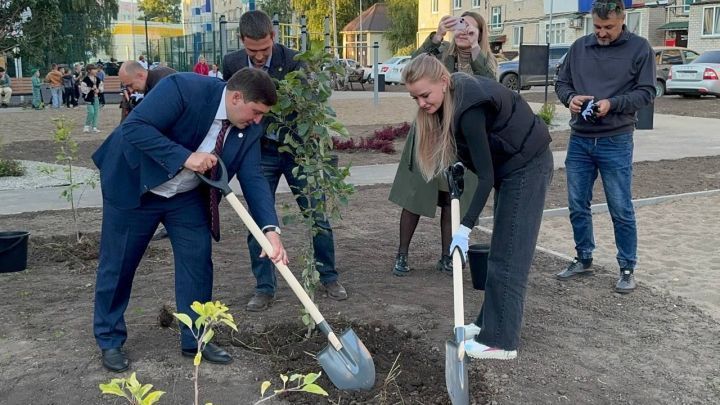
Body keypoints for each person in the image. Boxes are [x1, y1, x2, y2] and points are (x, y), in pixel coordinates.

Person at [91, 68, 289, 372]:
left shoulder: (248, 128)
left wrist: (270, 230)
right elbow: (136, 127)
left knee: (197, 260)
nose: (258, 120)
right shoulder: (183, 88)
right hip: (135, 182)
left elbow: (254, 178)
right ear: (237, 97)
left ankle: (195, 338)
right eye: (256, 111)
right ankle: (109, 338)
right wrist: (186, 156)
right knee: (118, 263)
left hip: (184, 196)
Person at [403, 54, 553, 359]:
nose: (420, 103)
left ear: (443, 82)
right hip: (511, 168)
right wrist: (460, 163)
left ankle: (501, 341)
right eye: (414, 97)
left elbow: (486, 178)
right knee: (503, 248)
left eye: (424, 94)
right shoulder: (449, 99)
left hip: (528, 166)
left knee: (510, 254)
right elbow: (478, 150)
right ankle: (489, 324)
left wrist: (464, 228)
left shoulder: (468, 107)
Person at [223, 10, 348, 311]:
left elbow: (309, 106)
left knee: (316, 214)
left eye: (264, 49)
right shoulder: (231, 63)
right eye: (252, 51)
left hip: (296, 152)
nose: (258, 56)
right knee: (258, 221)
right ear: (242, 42)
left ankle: (328, 276)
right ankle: (265, 287)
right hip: (258, 152)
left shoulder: (294, 61)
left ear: (273, 38)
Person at [554, 0, 655, 293]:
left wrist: (613, 104)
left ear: (623, 19)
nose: (601, 32)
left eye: (608, 27)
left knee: (620, 207)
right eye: (597, 26)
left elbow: (647, 91)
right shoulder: (578, 47)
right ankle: (583, 258)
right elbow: (562, 82)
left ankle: (626, 267)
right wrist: (569, 98)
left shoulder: (640, 48)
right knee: (576, 204)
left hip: (616, 139)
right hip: (580, 139)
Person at [389, 11, 496, 276]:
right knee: (415, 195)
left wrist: (473, 49)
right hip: (428, 135)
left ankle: (448, 256)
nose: (464, 31)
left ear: (480, 34)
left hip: (462, 139)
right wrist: (436, 36)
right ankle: (401, 255)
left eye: (471, 29)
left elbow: (492, 89)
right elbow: (412, 70)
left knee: (453, 198)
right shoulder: (440, 56)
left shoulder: (486, 61)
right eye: (460, 26)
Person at [118, 60, 177, 240]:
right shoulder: (156, 80)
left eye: (130, 85)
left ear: (141, 75)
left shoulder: (163, 82)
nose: (131, 89)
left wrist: (131, 107)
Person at [80, 64, 103, 133]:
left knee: (96, 112)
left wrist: (99, 90)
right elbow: (83, 89)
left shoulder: (98, 79)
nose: (96, 71)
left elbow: (101, 87)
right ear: (89, 71)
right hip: (89, 98)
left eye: (96, 69)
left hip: (96, 97)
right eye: (94, 69)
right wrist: (90, 89)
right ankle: (86, 126)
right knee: (91, 112)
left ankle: (94, 127)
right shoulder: (85, 80)